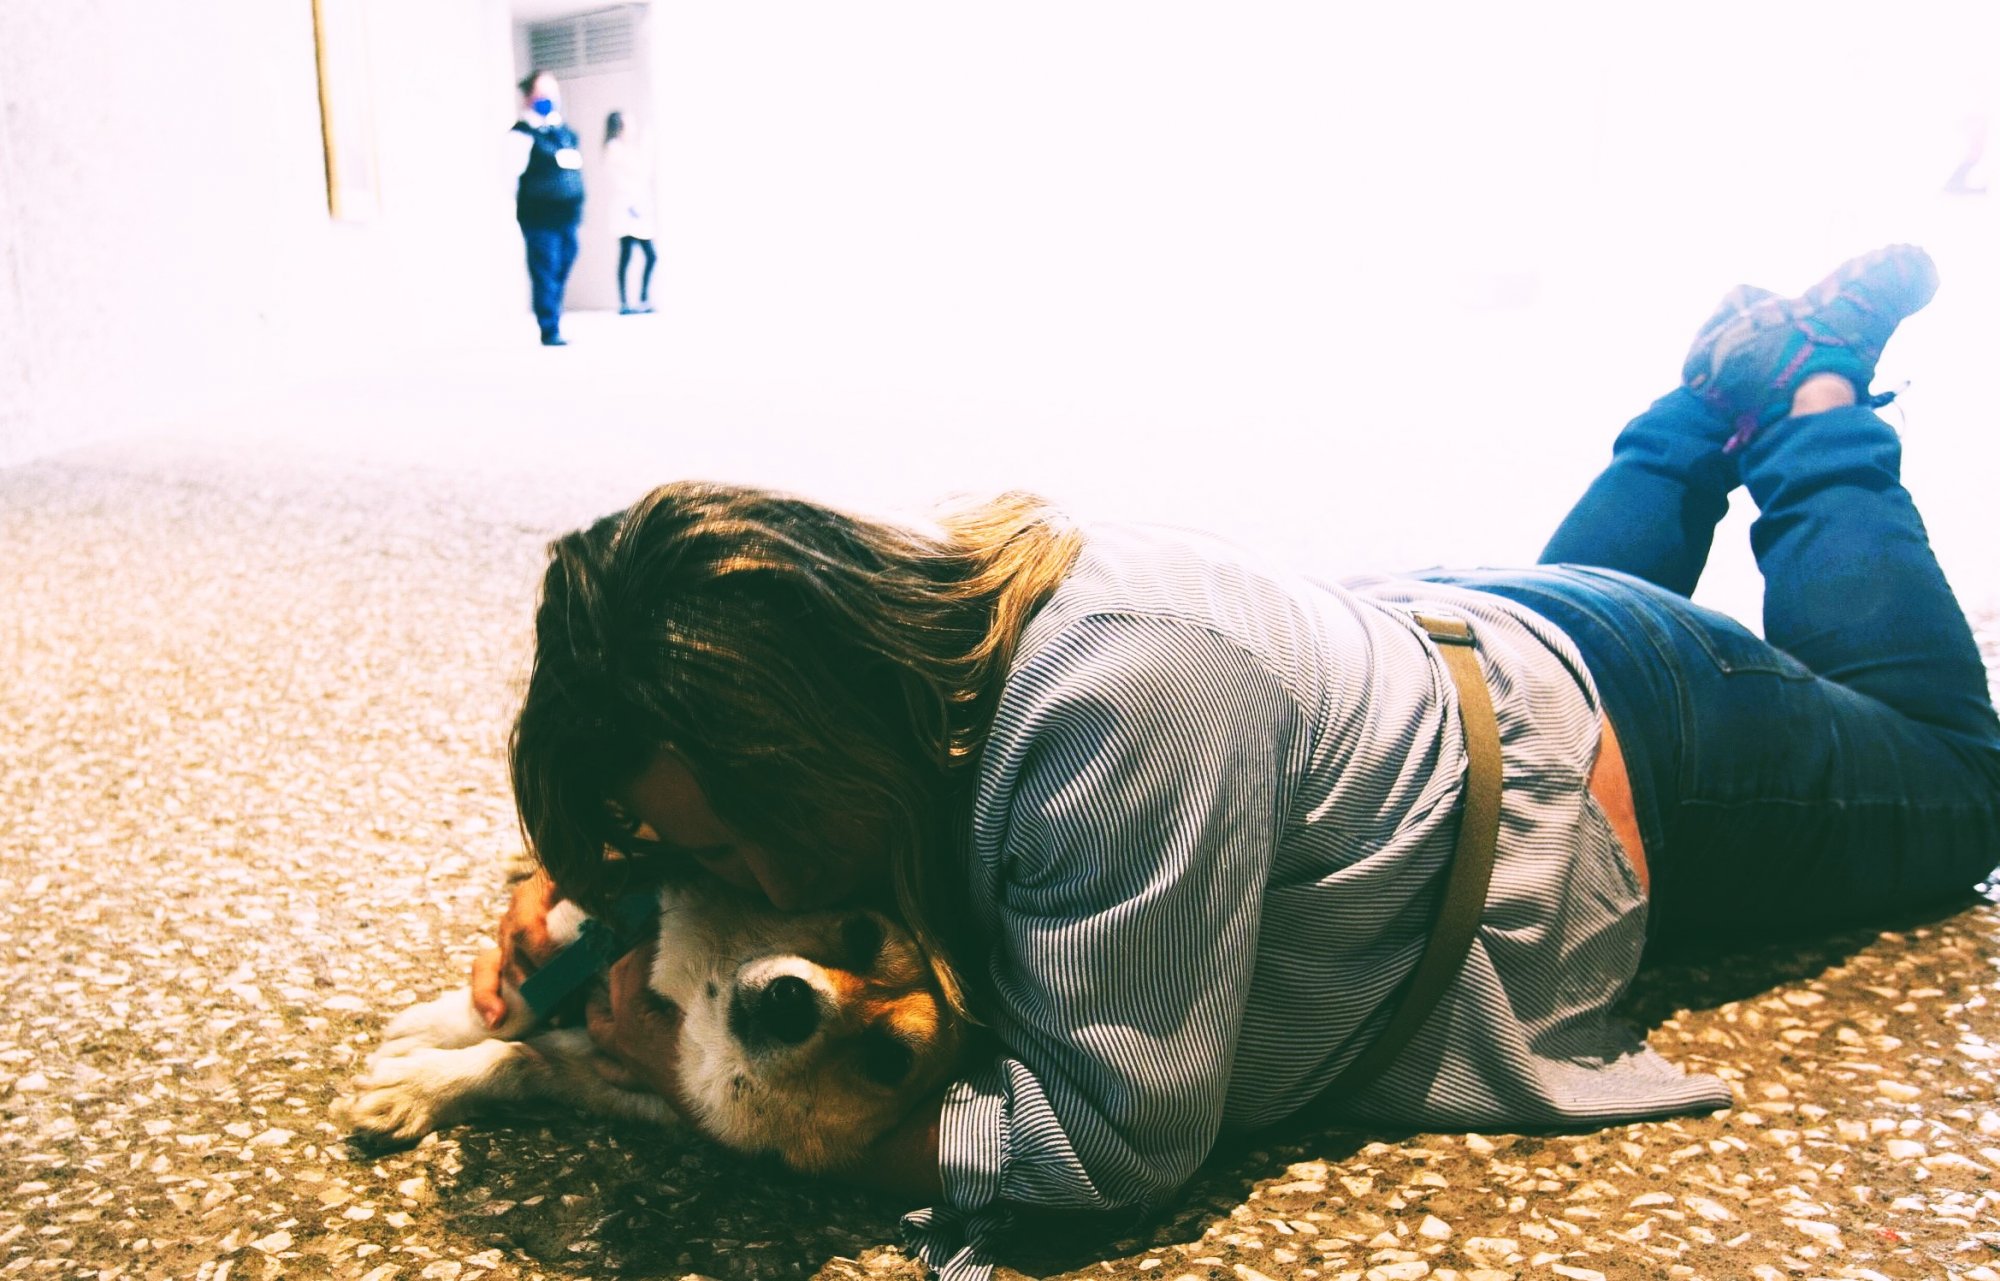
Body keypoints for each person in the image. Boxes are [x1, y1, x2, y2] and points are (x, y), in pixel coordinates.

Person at [472, 245, 2000, 1280]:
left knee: (1958, 786)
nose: (757, 881)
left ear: (812, 727)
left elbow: (1106, 1143)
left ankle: (1808, 399)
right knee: (1576, 598)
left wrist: (716, 1095)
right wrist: (582, 882)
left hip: (1654, 741)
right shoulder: (892, 651)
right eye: (703, 851)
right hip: (1465, 647)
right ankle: (1701, 403)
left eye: (746, 833)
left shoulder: (1111, 715)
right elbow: (697, 808)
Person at [507, 71, 585, 347]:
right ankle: (549, 327)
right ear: (529, 97)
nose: (551, 98)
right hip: (539, 216)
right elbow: (509, 176)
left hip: (568, 214)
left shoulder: (561, 131)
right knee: (545, 268)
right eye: (544, 92)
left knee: (563, 262)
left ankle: (554, 316)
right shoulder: (521, 134)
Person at [603, 111, 659, 315]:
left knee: (649, 256)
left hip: (639, 207)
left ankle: (643, 299)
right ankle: (625, 302)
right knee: (626, 255)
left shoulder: (629, 148)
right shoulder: (614, 148)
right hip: (626, 208)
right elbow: (630, 175)